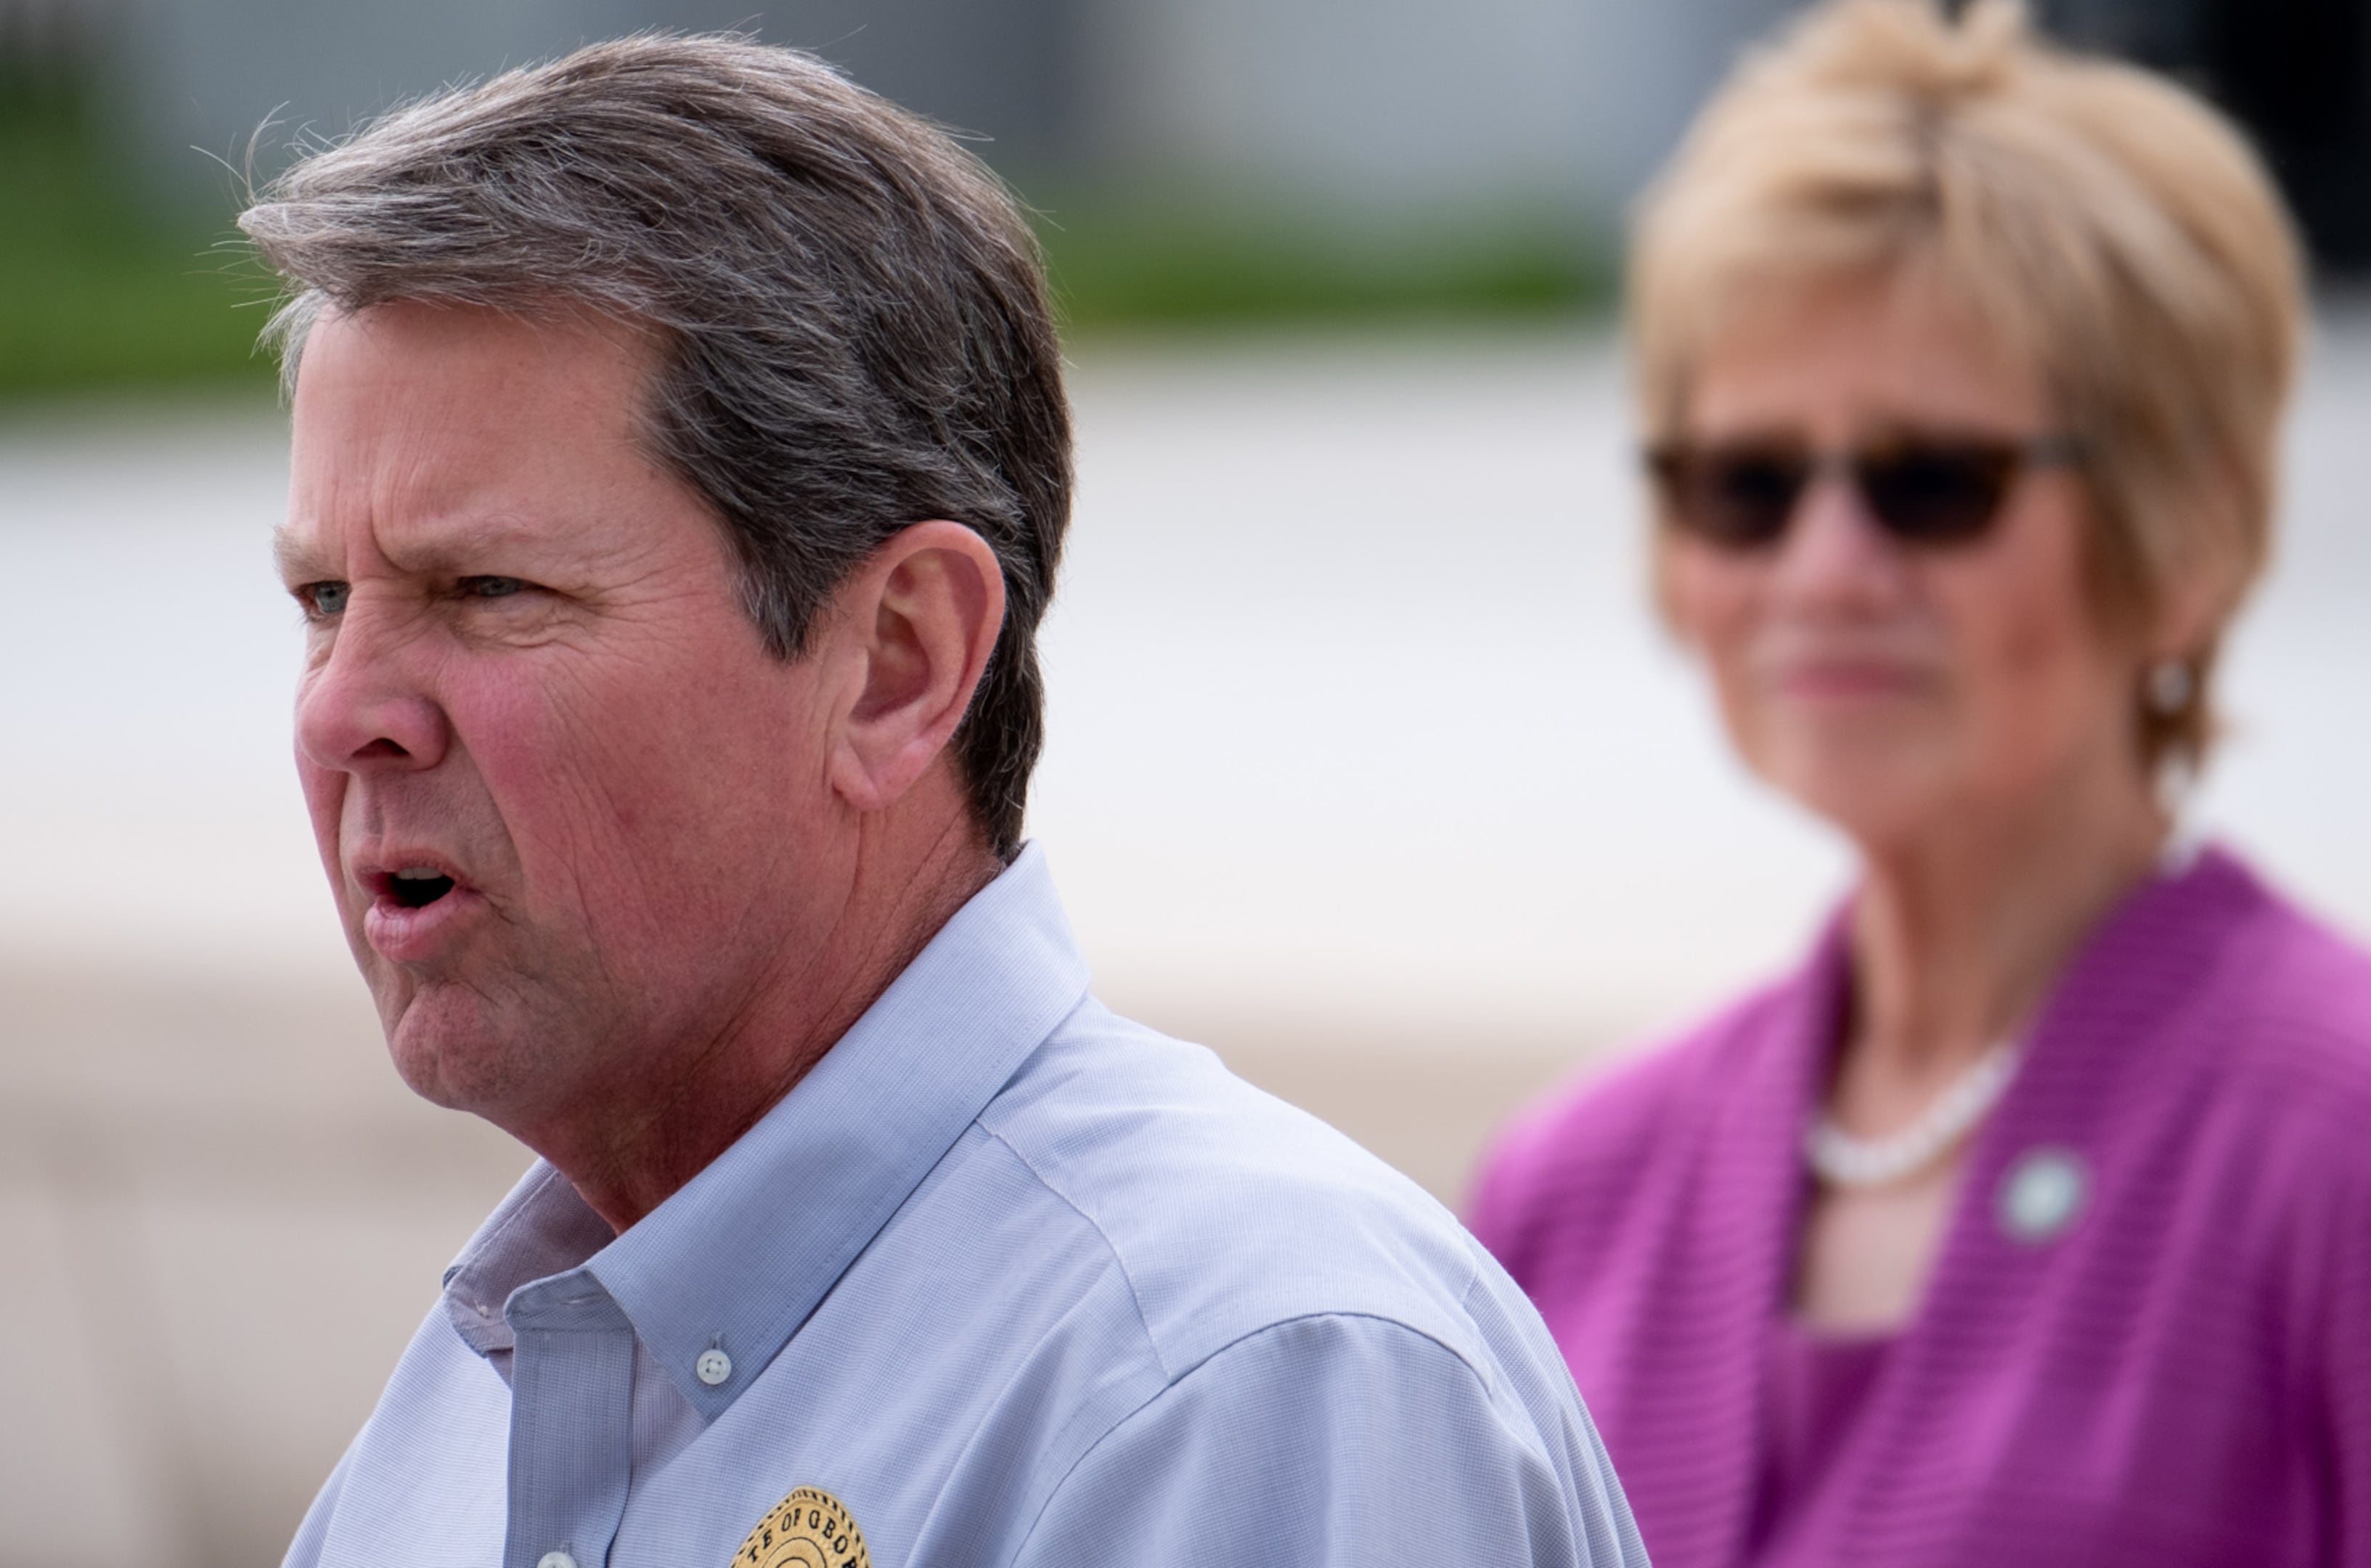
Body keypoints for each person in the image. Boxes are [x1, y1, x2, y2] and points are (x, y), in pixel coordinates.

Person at [240, 35, 1644, 1568]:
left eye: (490, 590)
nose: (344, 712)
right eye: (323, 598)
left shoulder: (1237, 1384)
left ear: (899, 664)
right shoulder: (474, 1401)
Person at [1467, 3, 2371, 1564]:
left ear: (2189, 534)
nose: (1825, 570)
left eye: (1933, 481)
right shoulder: (1573, 1185)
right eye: (1745, 484)